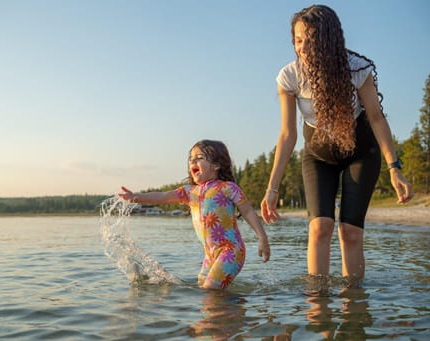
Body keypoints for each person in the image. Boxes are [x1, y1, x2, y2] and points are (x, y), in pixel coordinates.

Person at [260, 5, 413, 283]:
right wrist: (272, 188)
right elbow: (287, 135)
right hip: (318, 157)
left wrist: (395, 167)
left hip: (360, 153)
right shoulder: (289, 76)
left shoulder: (357, 69)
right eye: (298, 40)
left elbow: (377, 119)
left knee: (351, 232)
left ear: (329, 39)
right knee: (320, 228)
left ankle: (352, 304)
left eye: (311, 38)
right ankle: (318, 308)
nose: (303, 47)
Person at [119, 139, 270, 290]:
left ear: (216, 165)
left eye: (200, 158)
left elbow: (248, 211)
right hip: (209, 255)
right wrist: (136, 197)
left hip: (230, 251)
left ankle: (228, 310)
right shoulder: (189, 192)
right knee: (203, 291)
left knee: (210, 291)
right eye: (191, 159)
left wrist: (262, 238)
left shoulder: (228, 188)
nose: (193, 161)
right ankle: (230, 311)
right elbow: (163, 196)